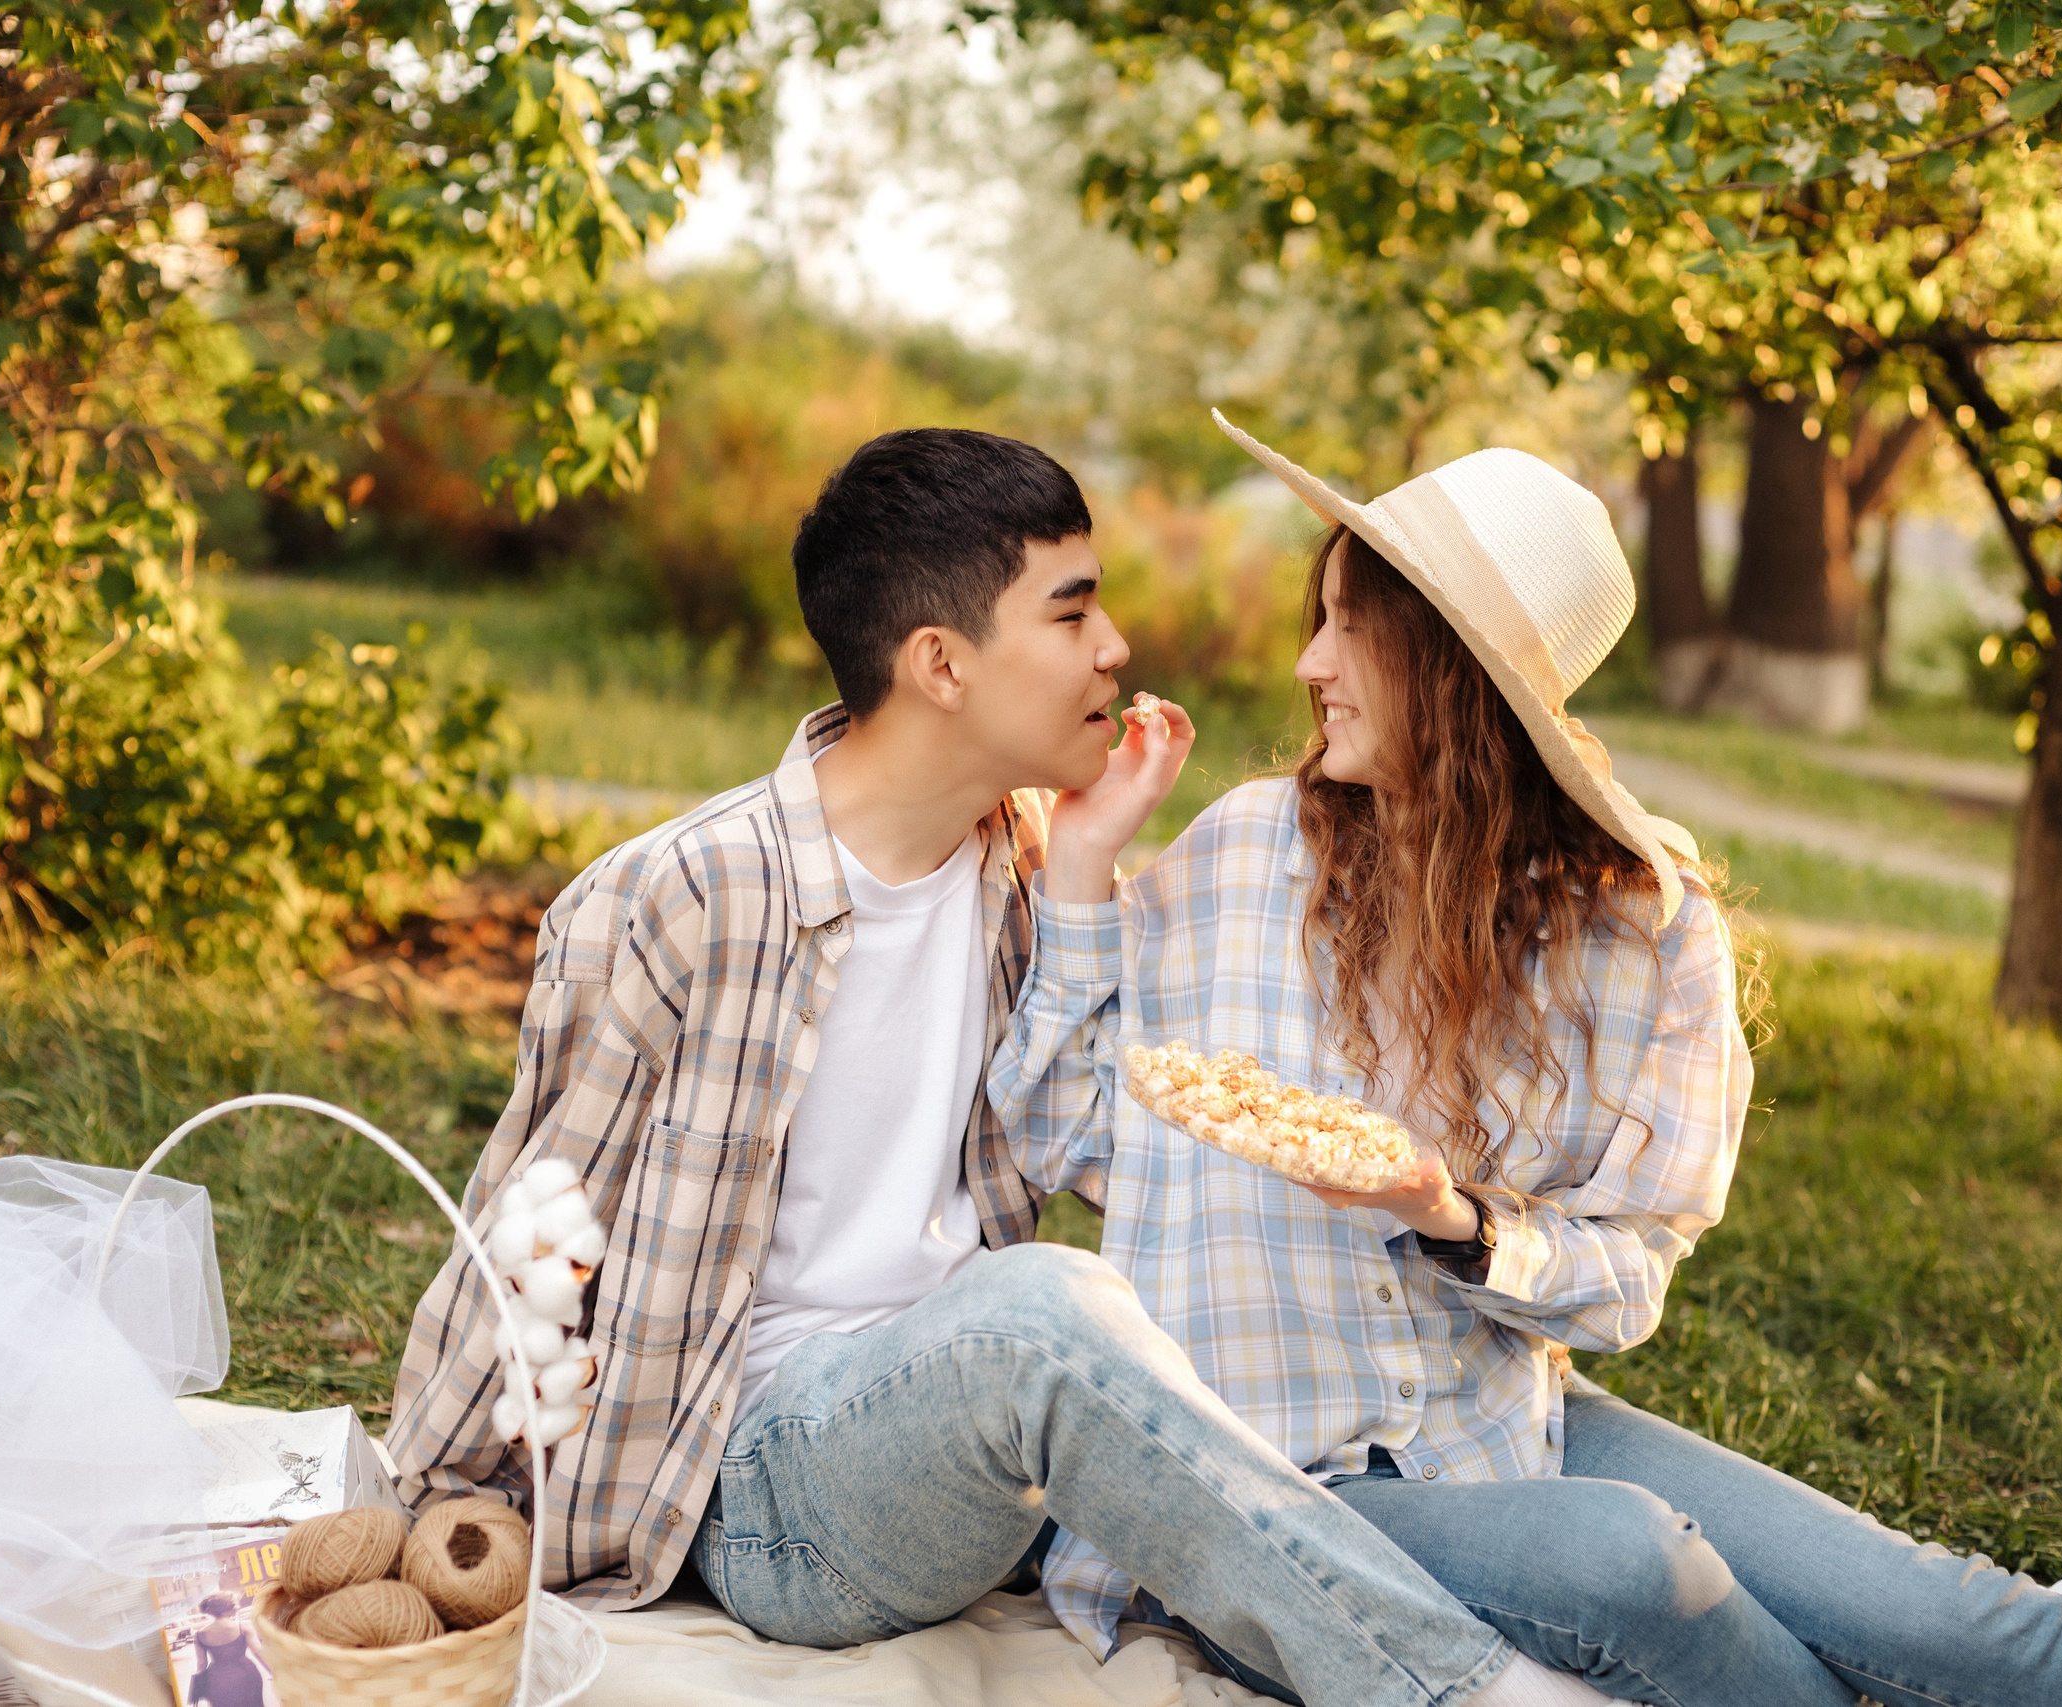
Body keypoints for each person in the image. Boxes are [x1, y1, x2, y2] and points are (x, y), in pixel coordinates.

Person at [384, 426, 1748, 1707]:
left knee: (1048, 1320)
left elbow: (1102, 1131)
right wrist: (419, 1507)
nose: (1121, 647)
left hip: (996, 1466)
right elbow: (519, 1229)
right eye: (1072, 610)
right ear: (942, 664)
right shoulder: (684, 897)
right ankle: (1467, 1694)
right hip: (762, 1492)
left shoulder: (1034, 872)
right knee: (1043, 1303)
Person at [988, 409, 2062, 1707]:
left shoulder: (1638, 935)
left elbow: (1630, 1276)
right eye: (1316, 617)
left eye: (1349, 625)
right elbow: (1070, 1140)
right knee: (1631, 1563)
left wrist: (1448, 1213)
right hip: (1263, 1485)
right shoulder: (1242, 855)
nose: (1310, 664)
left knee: (1949, 1610)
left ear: (1449, 667)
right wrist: (1090, 866)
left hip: (1494, 1435)